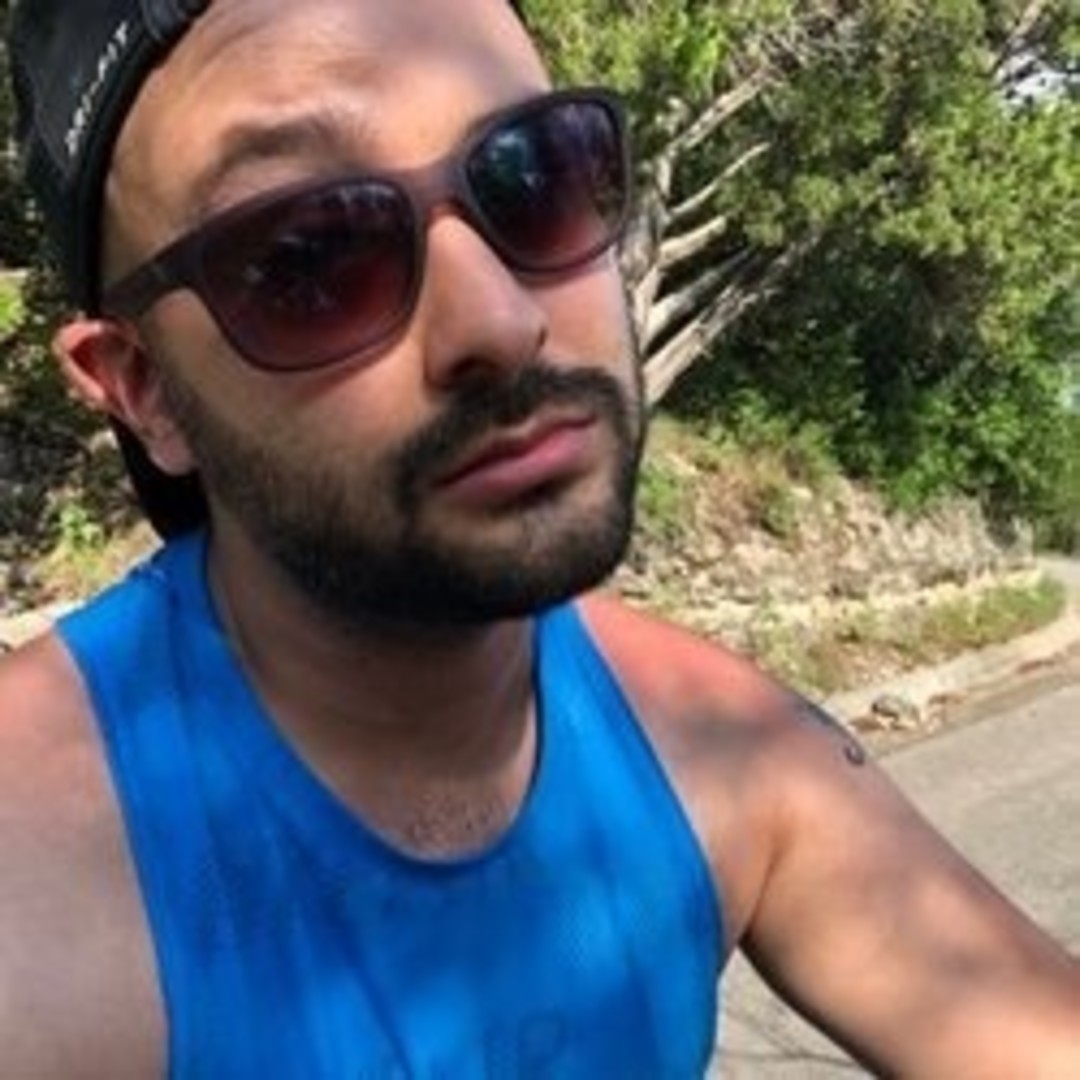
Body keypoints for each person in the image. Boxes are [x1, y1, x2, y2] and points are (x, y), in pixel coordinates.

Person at [2, 0, 1078, 1076]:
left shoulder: (710, 741)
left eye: (536, 172)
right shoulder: (37, 881)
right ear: (144, 389)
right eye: (309, 254)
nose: (501, 322)